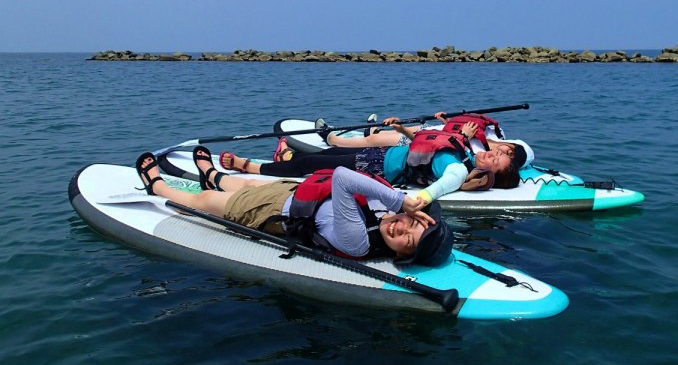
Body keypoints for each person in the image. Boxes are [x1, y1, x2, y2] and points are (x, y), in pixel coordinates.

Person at [135, 147, 454, 267]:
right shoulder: (389, 214)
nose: (400, 228)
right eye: (411, 223)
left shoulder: (358, 241)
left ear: (399, 255)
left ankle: (157, 186)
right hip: (299, 193)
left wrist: (399, 200)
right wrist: (401, 204)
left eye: (406, 241)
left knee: (205, 201)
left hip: (270, 211)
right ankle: (212, 175)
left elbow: (343, 177)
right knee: (245, 183)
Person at [219, 123, 520, 204]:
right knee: (323, 156)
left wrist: (424, 198)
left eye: (496, 161)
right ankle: (285, 158)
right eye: (498, 153)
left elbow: (449, 179)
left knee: (313, 162)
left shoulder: (458, 168)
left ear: (488, 174)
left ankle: (250, 167)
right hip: (382, 155)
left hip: (376, 166)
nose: (492, 154)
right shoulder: (466, 151)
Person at [321, 113, 534, 169]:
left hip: (424, 143)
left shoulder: (482, 156)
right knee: (386, 131)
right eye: (510, 149)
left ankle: (333, 139)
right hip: (432, 131)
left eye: (508, 156)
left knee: (376, 140)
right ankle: (373, 129)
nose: (503, 152)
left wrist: (464, 136)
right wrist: (448, 122)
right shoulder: (495, 134)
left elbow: (453, 148)